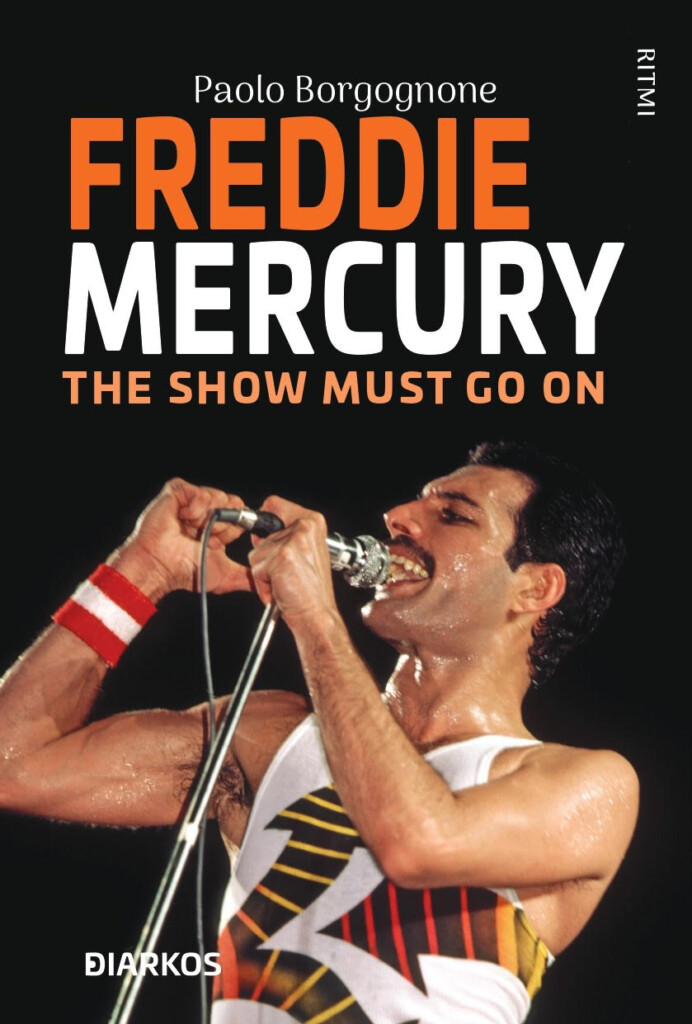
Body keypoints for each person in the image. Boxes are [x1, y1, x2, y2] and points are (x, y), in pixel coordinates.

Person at [0, 441, 638, 1024]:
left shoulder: (584, 785)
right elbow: (15, 765)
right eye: (416, 502)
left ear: (535, 587)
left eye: (453, 515)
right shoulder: (266, 734)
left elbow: (415, 843)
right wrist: (141, 572)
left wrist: (314, 617)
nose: (397, 517)